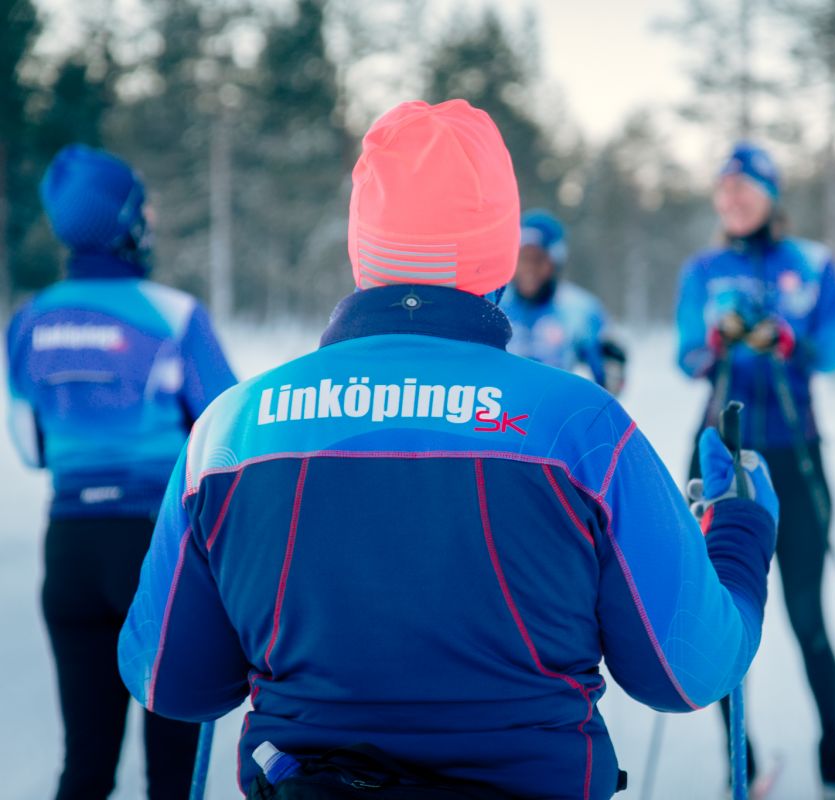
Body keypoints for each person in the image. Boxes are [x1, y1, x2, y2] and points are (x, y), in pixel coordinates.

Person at [116, 99, 779, 800]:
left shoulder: (232, 429)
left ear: (361, 243)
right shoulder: (582, 426)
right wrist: (739, 531)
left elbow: (171, 678)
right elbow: (687, 672)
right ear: (496, 246)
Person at [5, 145, 236, 799]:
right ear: (127, 222)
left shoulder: (28, 320)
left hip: (71, 549)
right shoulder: (174, 314)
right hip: (158, 550)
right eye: (145, 206)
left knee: (84, 767)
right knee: (173, 773)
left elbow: (31, 446)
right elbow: (225, 440)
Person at [676, 141, 835, 797]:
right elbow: (685, 353)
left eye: (745, 187)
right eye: (724, 189)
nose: (733, 199)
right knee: (720, 608)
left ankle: (833, 756)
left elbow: (832, 351)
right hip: (724, 450)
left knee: (807, 611)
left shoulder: (811, 263)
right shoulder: (702, 267)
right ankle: (739, 763)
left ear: (772, 194)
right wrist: (715, 340)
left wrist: (784, 339)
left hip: (795, 448)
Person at [500, 209, 627, 393]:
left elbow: (609, 387)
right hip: (497, 415)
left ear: (555, 261)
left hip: (553, 414)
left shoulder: (580, 309)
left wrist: (612, 367)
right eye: (522, 259)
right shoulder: (493, 304)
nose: (528, 269)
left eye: (538, 260)